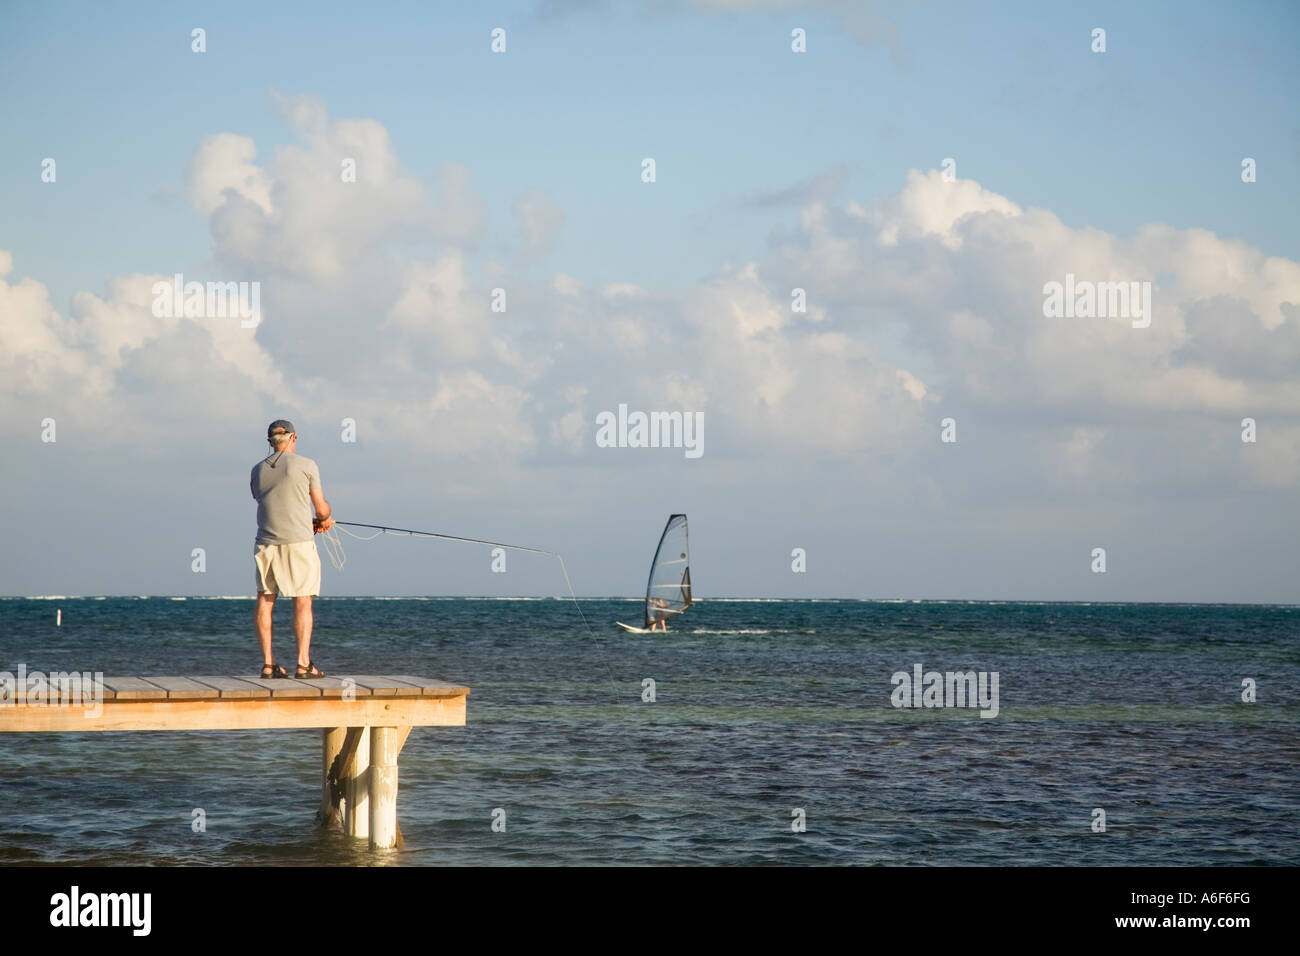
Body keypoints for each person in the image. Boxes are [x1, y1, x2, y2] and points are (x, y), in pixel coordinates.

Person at [250, 420, 333, 679]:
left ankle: (267, 664)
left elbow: (272, 501)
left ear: (269, 442)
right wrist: (324, 520)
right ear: (293, 438)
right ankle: (303, 663)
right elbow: (321, 509)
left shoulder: (256, 470)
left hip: (266, 542)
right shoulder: (307, 465)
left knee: (265, 599)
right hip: (298, 542)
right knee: (303, 599)